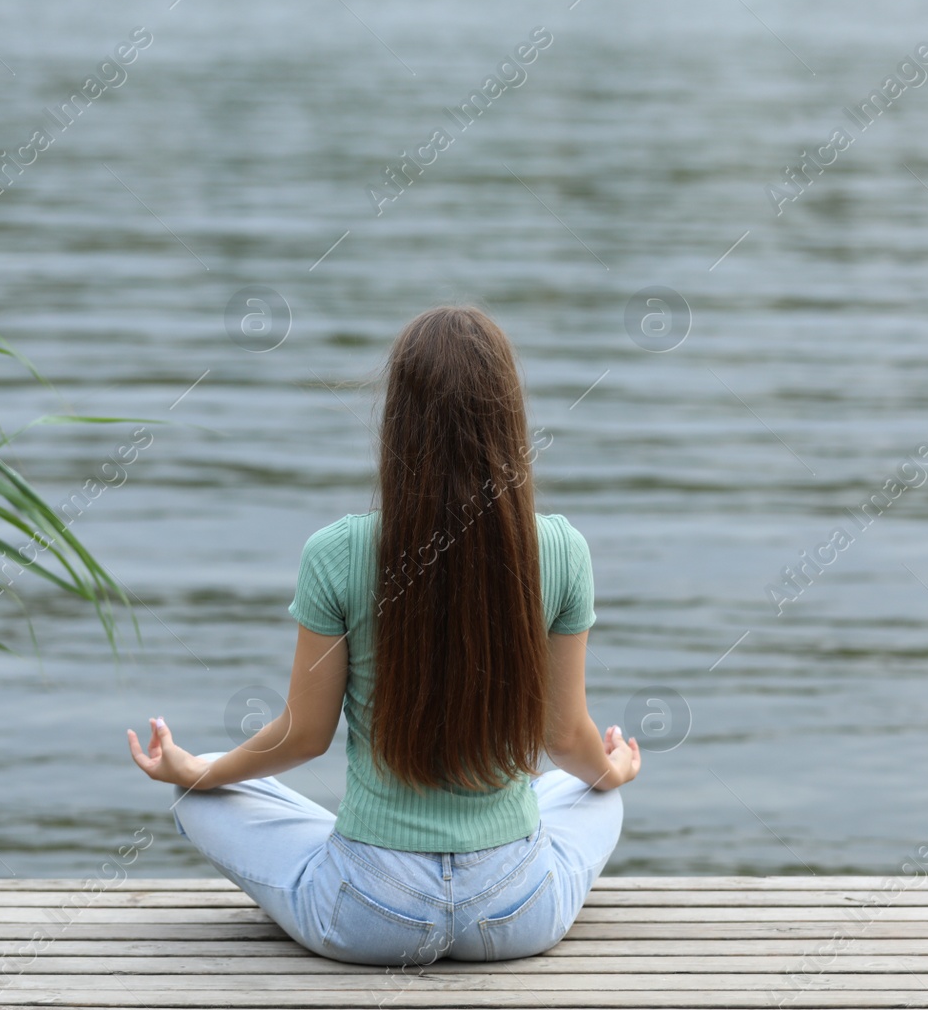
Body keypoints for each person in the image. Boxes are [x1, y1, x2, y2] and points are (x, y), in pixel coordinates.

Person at [127, 305, 638, 965]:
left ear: (399, 421)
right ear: (509, 418)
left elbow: (303, 736)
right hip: (514, 912)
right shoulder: (561, 549)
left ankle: (301, 828)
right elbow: (564, 737)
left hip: (372, 911)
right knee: (593, 791)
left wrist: (199, 769)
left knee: (202, 798)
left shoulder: (337, 551)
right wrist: (613, 769)